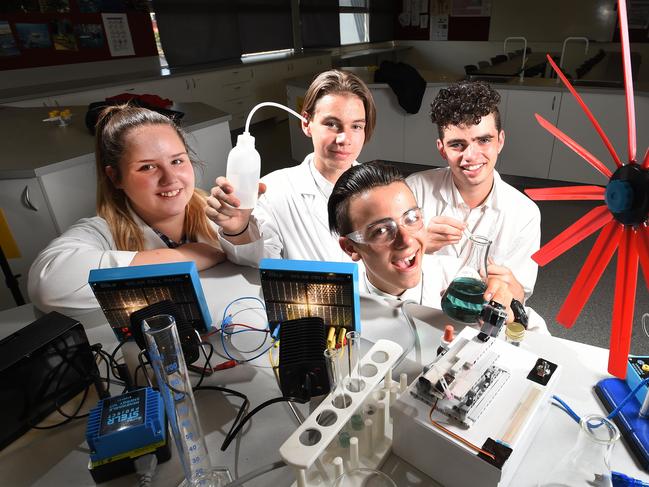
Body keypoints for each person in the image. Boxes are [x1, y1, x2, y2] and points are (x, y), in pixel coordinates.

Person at [28, 105, 225, 316]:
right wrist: (184, 258)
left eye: (177, 161)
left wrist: (240, 232)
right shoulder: (102, 231)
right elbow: (47, 285)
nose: (170, 178)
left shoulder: (219, 211)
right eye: (147, 167)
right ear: (115, 177)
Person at [206, 69, 376, 267]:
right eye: (331, 124)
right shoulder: (273, 190)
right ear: (306, 123)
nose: (343, 139)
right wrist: (238, 230)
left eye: (356, 126)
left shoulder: (381, 189)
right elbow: (262, 264)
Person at [328, 161, 521, 326]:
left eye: (411, 218)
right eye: (381, 231)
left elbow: (534, 333)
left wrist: (514, 311)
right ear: (351, 248)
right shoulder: (336, 305)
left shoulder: (458, 277)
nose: (407, 240)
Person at [406, 81, 541, 304]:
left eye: (484, 140)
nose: (471, 155)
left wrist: (511, 288)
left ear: (500, 141)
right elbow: (380, 271)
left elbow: (519, 296)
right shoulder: (414, 191)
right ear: (441, 148)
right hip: (420, 312)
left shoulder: (525, 213)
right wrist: (421, 245)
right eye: (457, 144)